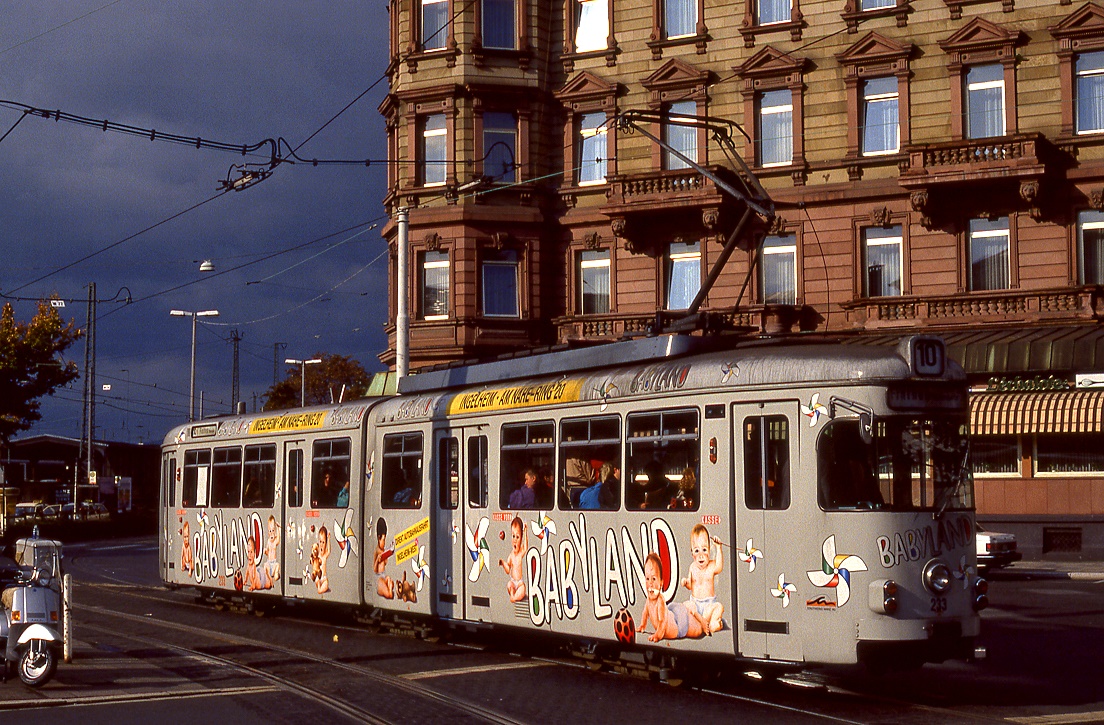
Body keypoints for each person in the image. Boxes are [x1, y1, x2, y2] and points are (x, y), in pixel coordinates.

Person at [639, 553, 702, 642]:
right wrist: (642, 625)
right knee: (675, 611)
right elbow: (645, 614)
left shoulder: (660, 600)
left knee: (698, 630)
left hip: (679, 623)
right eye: (647, 579)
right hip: (671, 612)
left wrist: (657, 635)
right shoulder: (648, 600)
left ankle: (698, 613)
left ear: (661, 583)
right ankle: (689, 608)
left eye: (653, 579)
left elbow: (662, 622)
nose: (650, 583)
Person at [681, 524, 725, 635]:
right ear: (692, 554)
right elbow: (691, 586)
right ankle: (700, 621)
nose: (701, 555)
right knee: (686, 605)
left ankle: (713, 623)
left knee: (719, 607)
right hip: (695, 605)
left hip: (708, 606)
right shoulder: (692, 567)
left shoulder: (711, 566)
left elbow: (719, 567)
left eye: (704, 550)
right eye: (697, 551)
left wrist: (718, 548)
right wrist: (686, 583)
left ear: (709, 552)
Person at [497, 516, 527, 602]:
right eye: (513, 536)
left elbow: (525, 547)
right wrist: (503, 563)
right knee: (509, 584)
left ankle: (514, 597)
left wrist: (525, 532)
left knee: (522, 589)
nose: (515, 540)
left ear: (521, 539)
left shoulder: (520, 553)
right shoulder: (511, 555)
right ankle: (513, 595)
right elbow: (508, 569)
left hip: (520, 582)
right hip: (513, 581)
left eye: (517, 537)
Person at [374, 518, 395, 599]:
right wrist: (377, 560)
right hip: (378, 578)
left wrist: (389, 552)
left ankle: (388, 589)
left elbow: (385, 561)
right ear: (379, 538)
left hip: (383, 576)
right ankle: (388, 590)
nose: (384, 542)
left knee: (389, 580)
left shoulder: (382, 551)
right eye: (383, 539)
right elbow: (375, 569)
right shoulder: (377, 551)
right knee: (389, 595)